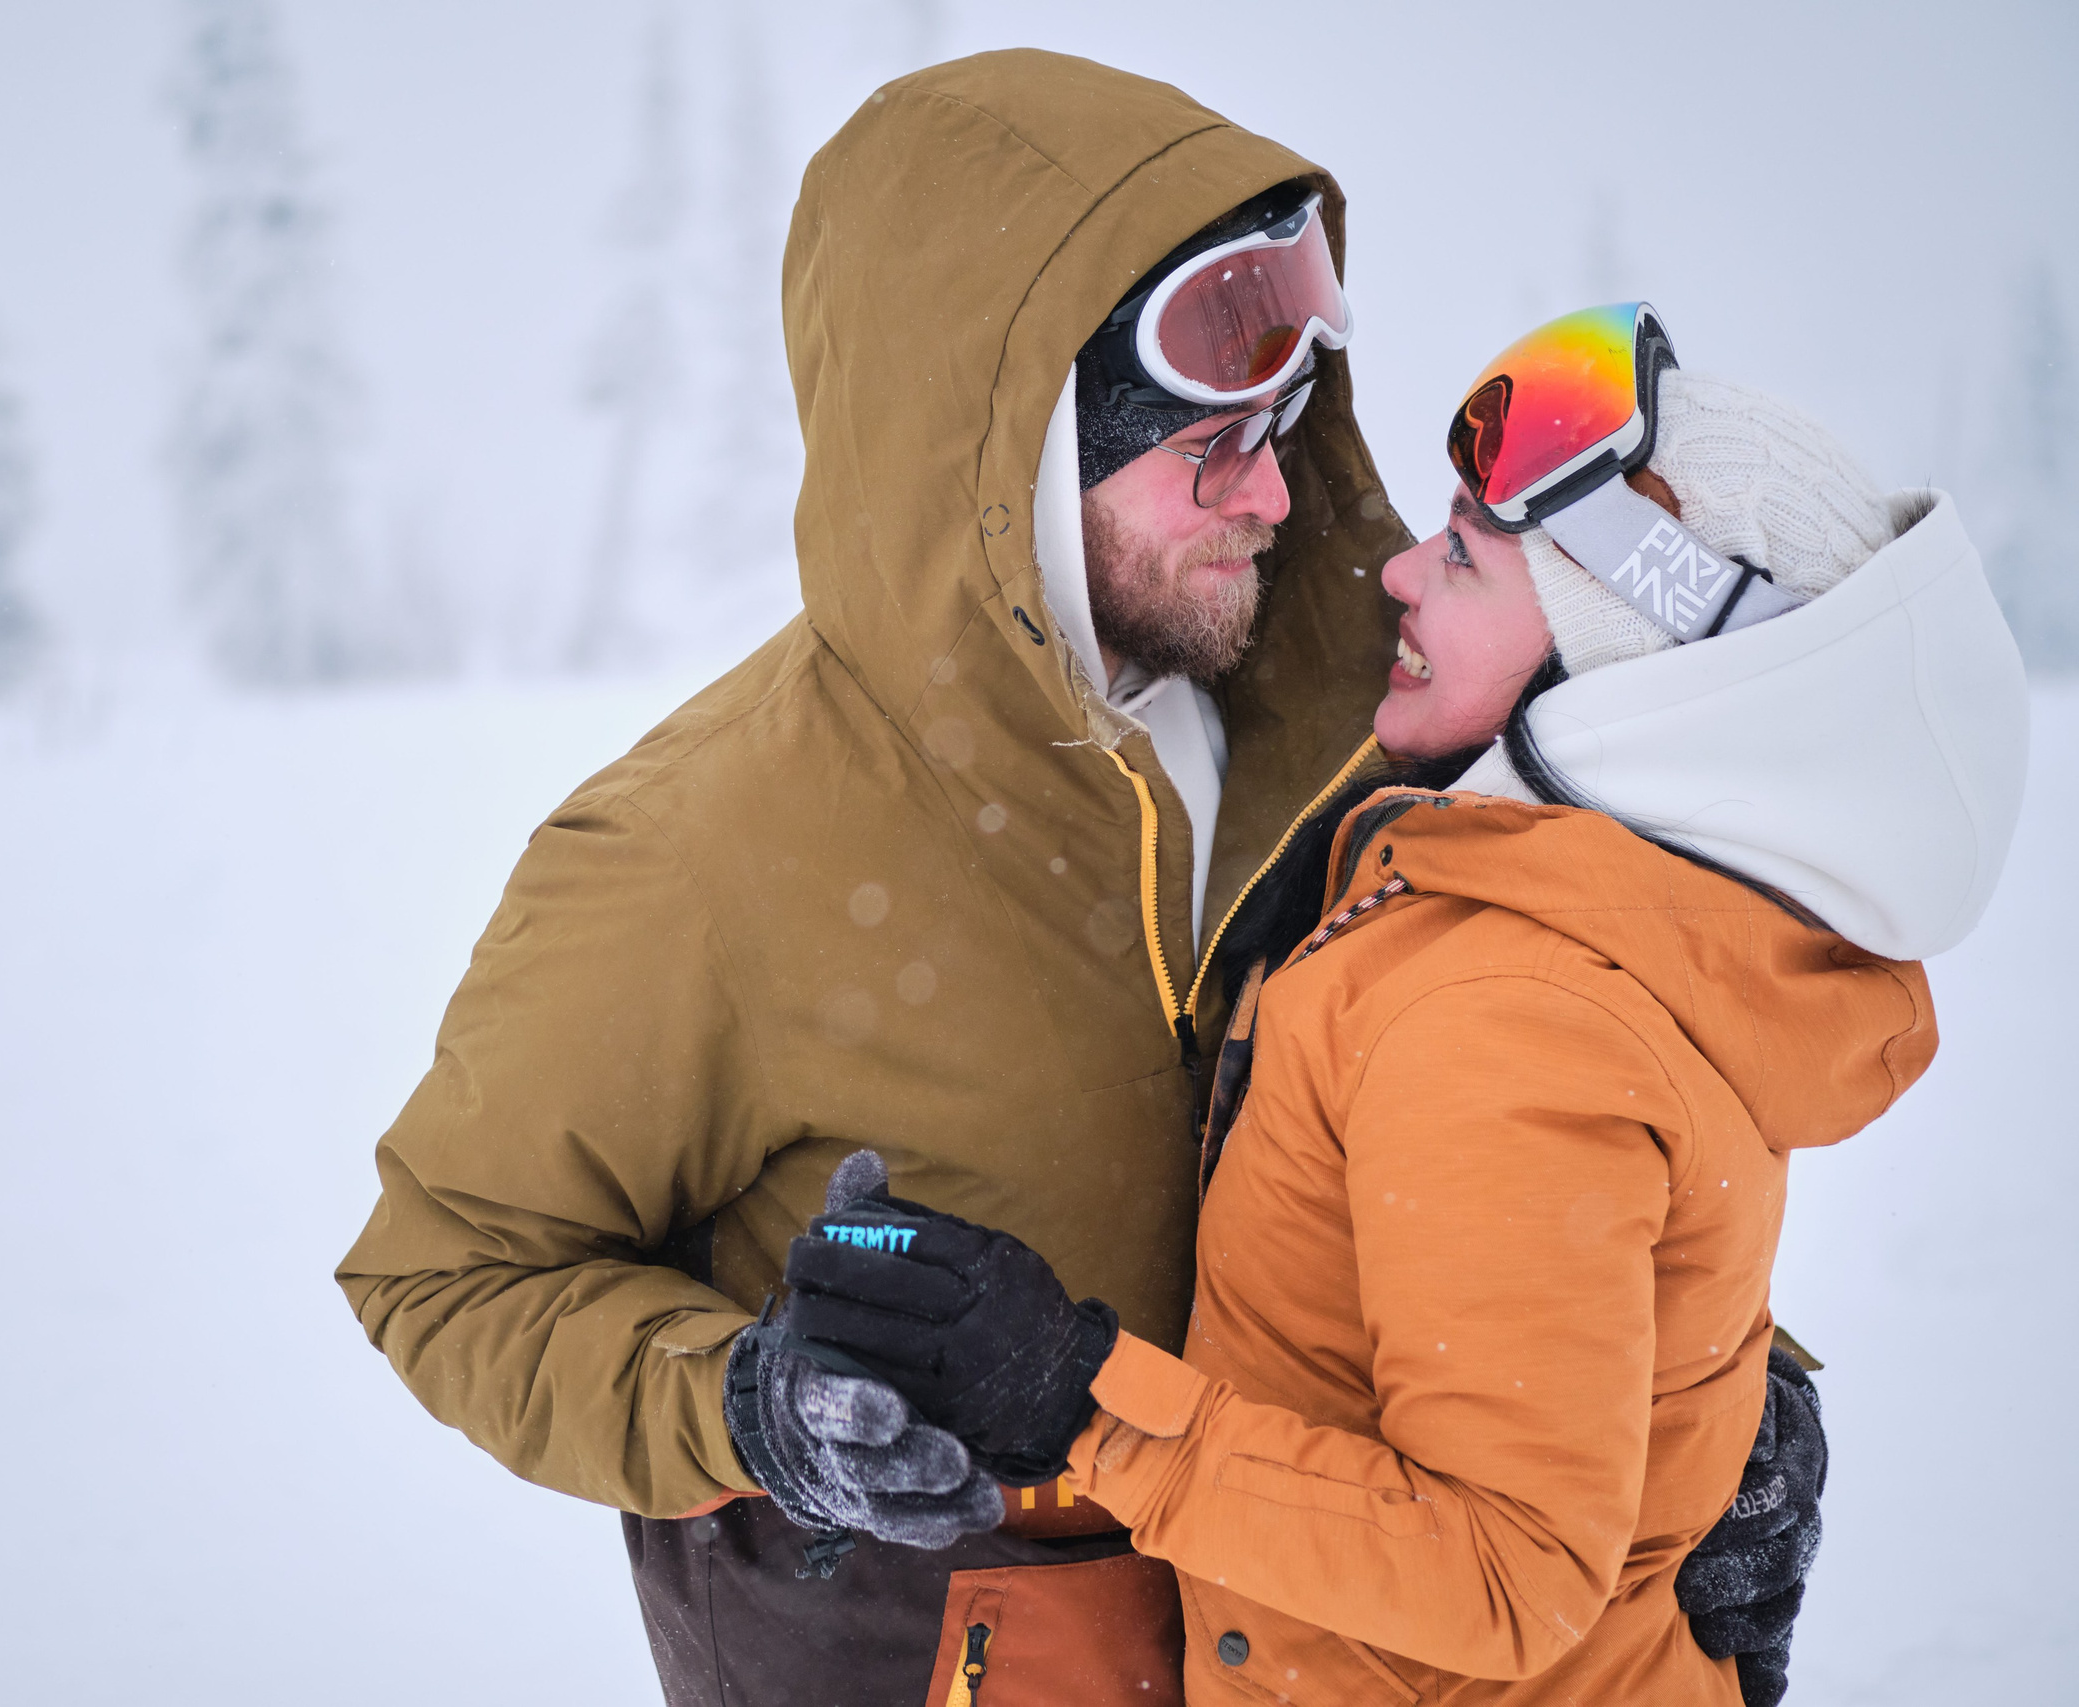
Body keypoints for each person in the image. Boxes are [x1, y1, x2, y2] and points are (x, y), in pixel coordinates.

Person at [336, 53, 1818, 1704]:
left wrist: (1721, 1383)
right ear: (1015, 454)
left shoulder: (1362, 731)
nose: (1275, 495)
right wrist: (747, 1407)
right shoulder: (697, 855)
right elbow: (444, 1273)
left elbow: (1561, 1098)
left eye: (1284, 428)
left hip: (1348, 1645)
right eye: (1208, 450)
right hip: (939, 1643)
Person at [776, 304, 2029, 1704]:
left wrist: (1071, 1398)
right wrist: (1706, 1403)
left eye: (1469, 557)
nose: (1399, 572)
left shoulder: (1510, 1008)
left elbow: (1504, 1571)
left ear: (1637, 671)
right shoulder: (1636, 920)